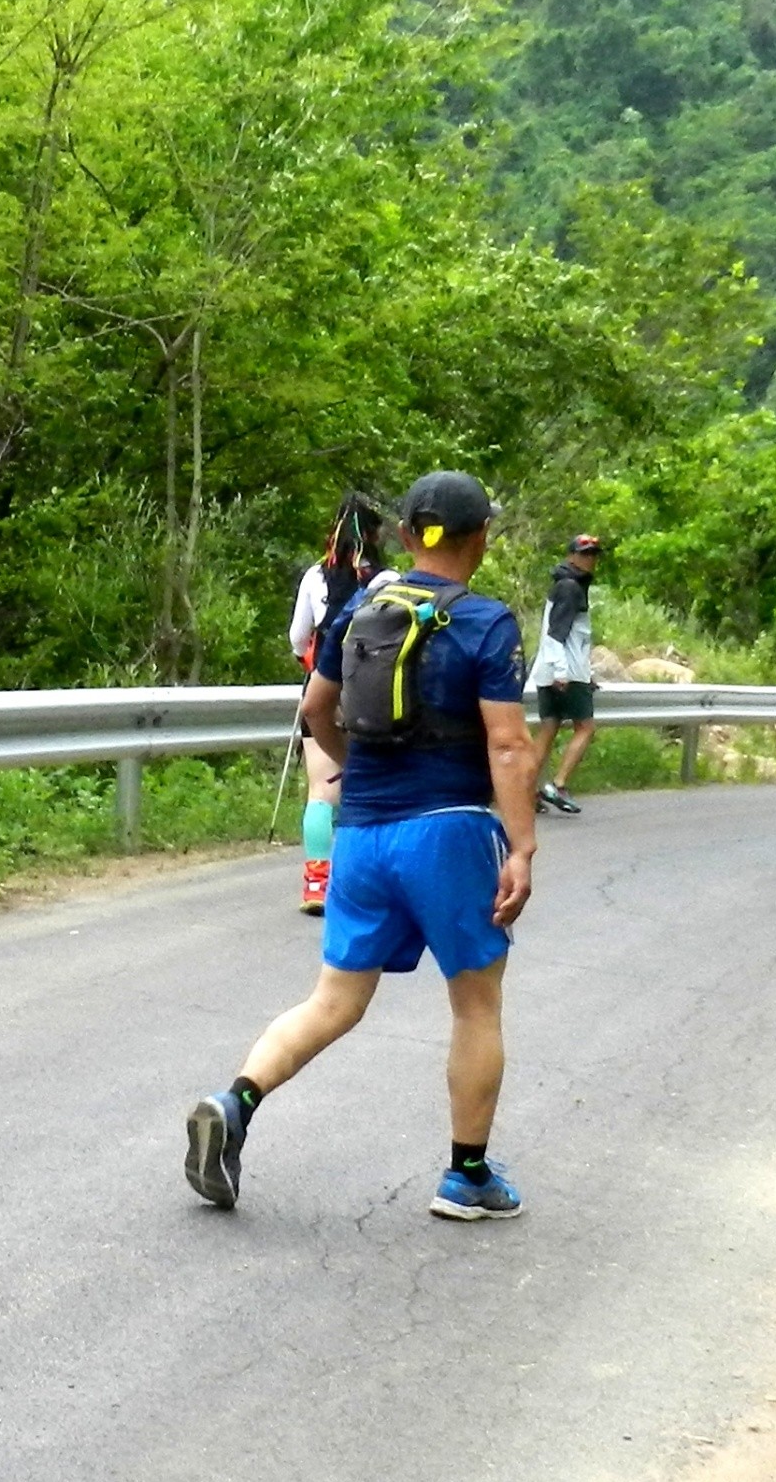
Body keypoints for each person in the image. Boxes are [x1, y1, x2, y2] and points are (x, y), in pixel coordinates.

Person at [183, 468, 537, 1225]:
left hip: (363, 835)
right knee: (476, 1006)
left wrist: (352, 770)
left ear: (407, 535)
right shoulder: (484, 622)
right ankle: (466, 1177)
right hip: (448, 830)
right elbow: (507, 746)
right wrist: (523, 847)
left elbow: (314, 708)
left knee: (334, 1000)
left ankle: (234, 1101)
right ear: (481, 537)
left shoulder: (354, 611)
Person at [284, 491, 388, 913]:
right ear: (375, 536)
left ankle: (316, 883)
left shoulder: (315, 577)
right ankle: (369, 881)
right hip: (373, 694)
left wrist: (312, 661)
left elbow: (296, 639)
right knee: (376, 785)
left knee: (319, 790)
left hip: (323, 690)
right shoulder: (387, 580)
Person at [529, 531, 608, 817]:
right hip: (566, 673)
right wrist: (566, 672)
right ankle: (558, 785)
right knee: (585, 728)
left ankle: (530, 791)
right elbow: (557, 633)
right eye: (585, 553)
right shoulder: (570, 587)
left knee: (548, 729)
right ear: (571, 555)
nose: (590, 560)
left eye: (594, 554)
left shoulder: (566, 584)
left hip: (550, 671)